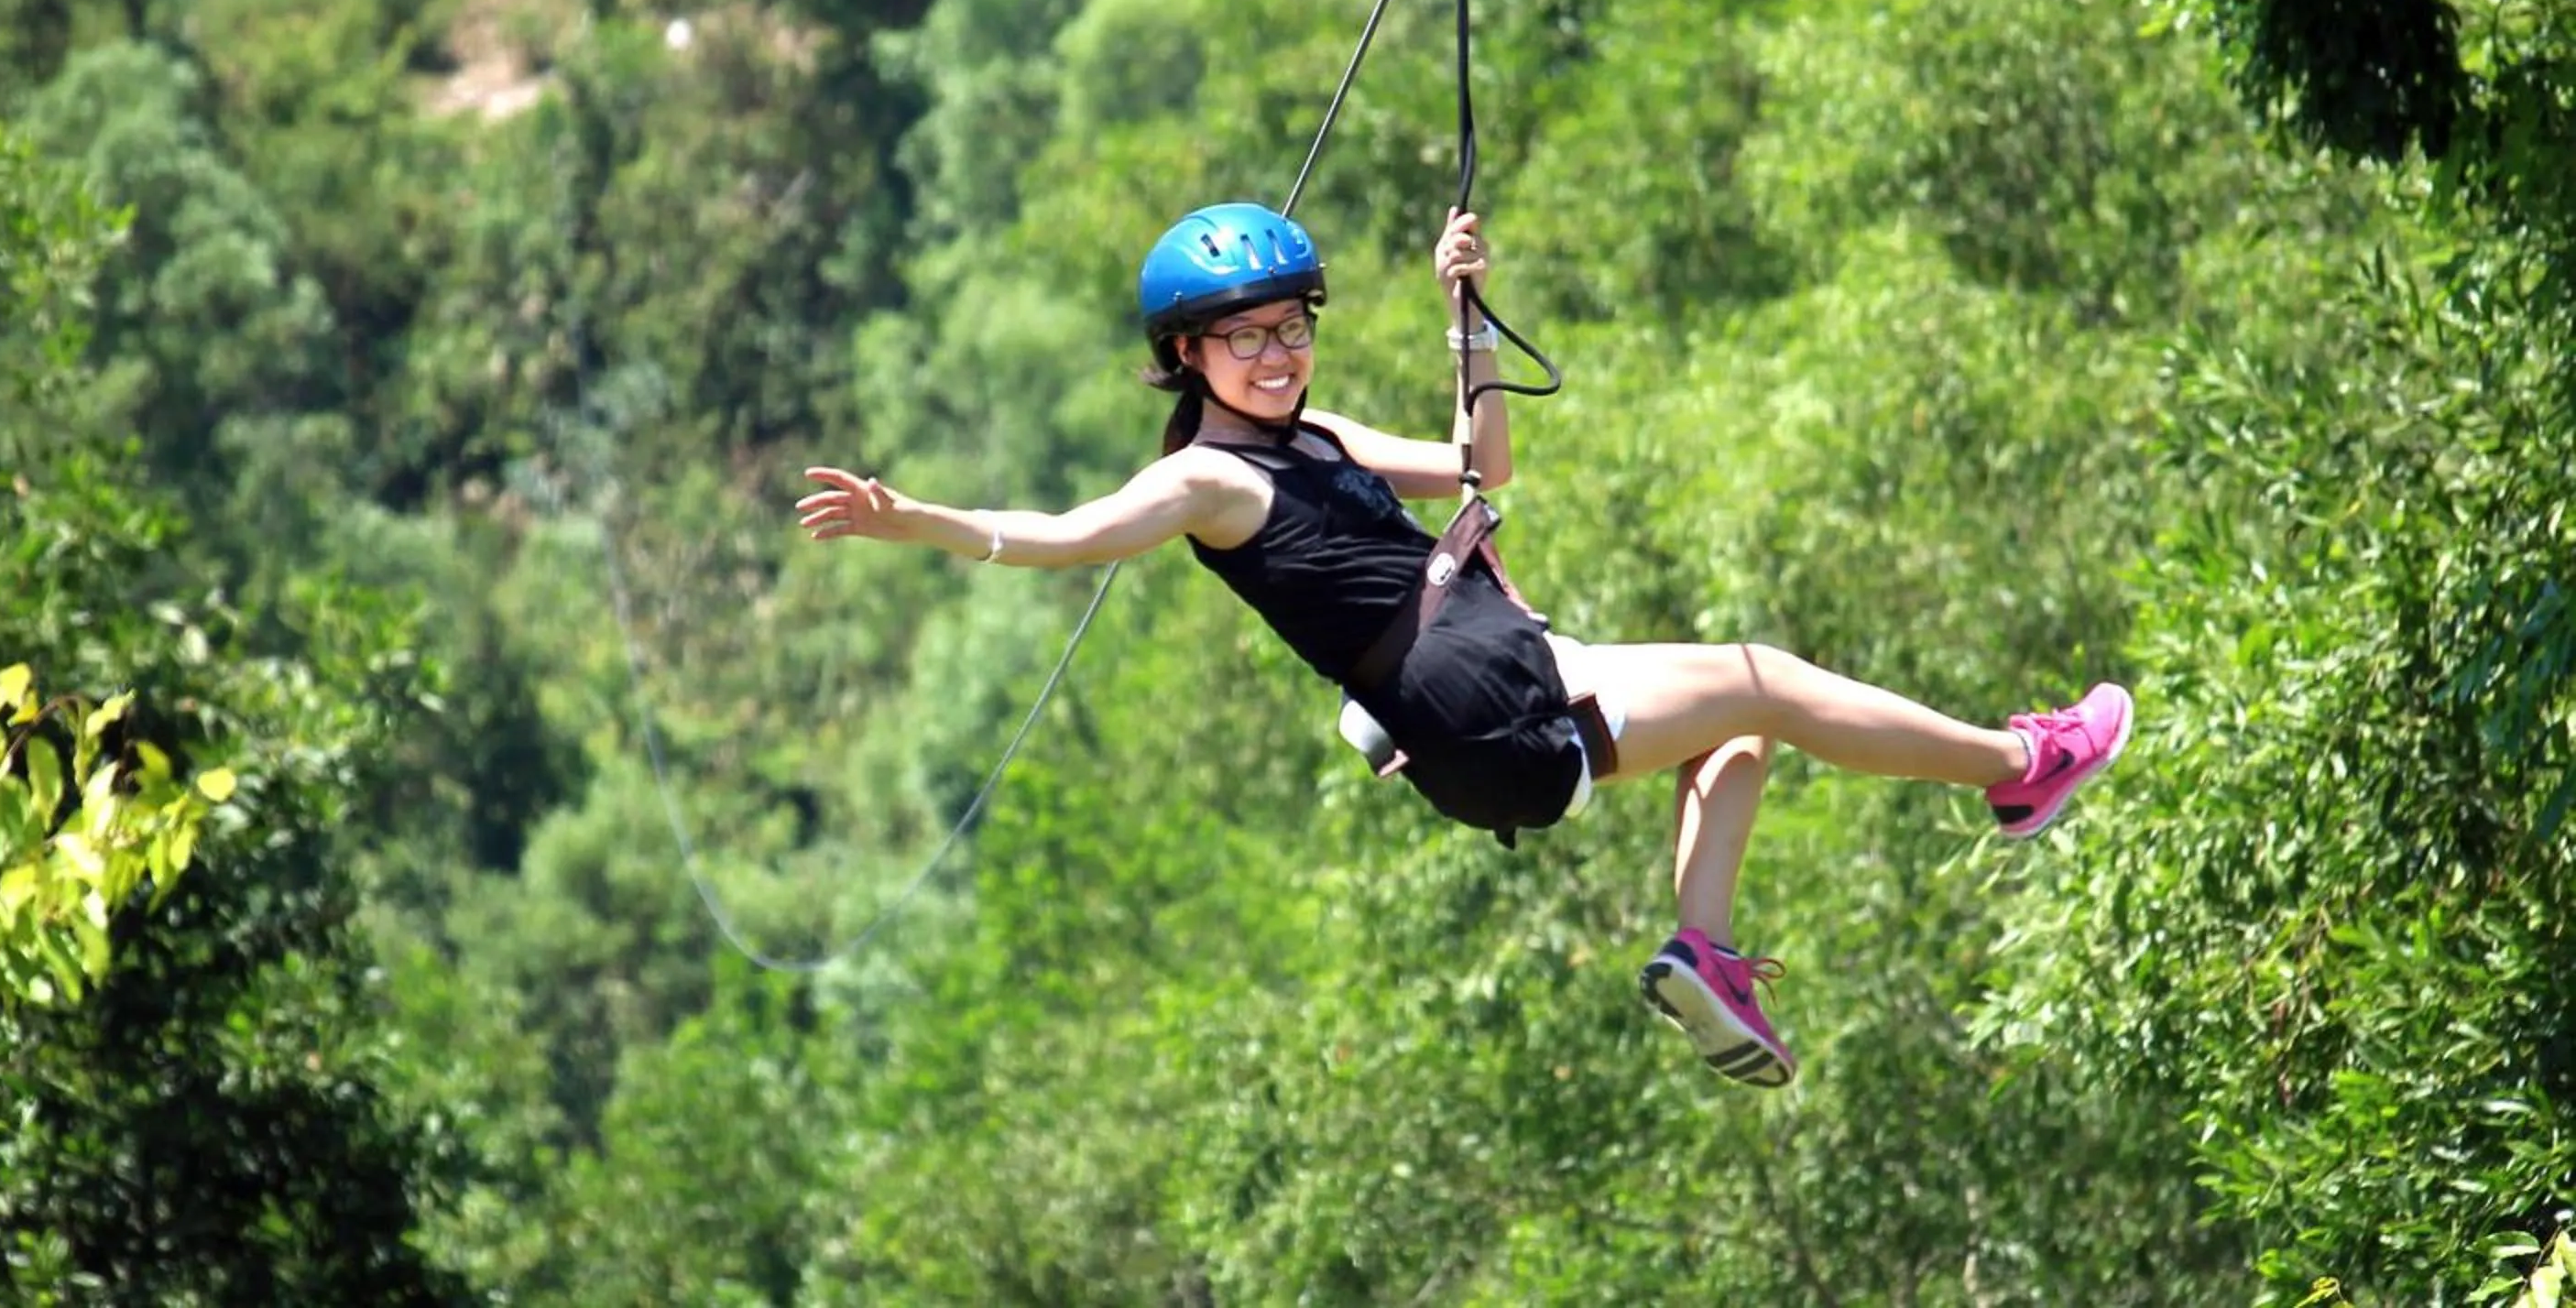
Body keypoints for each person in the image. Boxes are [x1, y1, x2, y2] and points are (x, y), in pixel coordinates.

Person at [798, 202, 2134, 1088]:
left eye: (1293, 326)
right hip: (1481, 694)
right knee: (1761, 678)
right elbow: (1064, 534)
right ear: (1187, 354)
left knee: (1737, 731)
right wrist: (915, 520)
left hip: (1487, 708)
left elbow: (1482, 462)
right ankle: (2020, 765)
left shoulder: (1317, 437)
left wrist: (1467, 308)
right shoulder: (1207, 479)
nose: (1278, 354)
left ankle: (1705, 952)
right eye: (1245, 338)